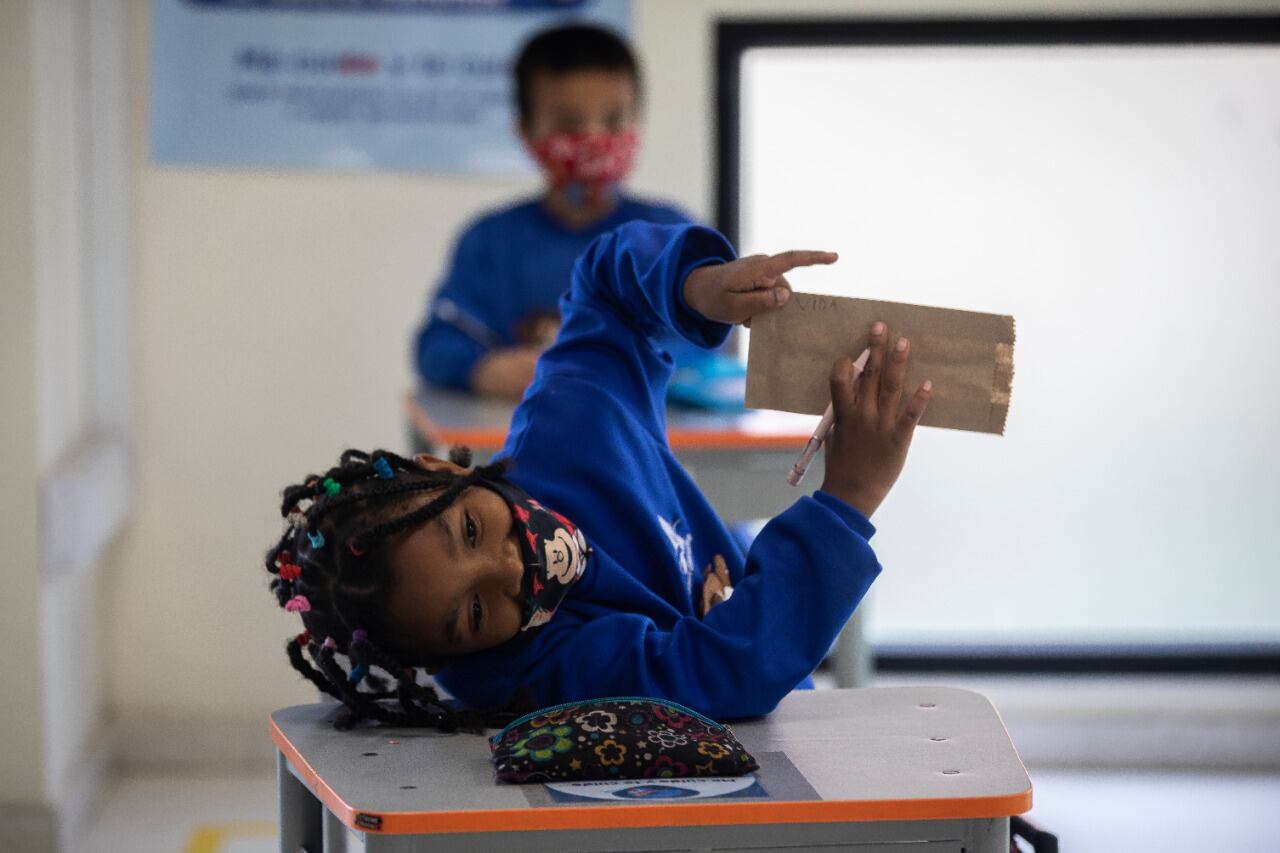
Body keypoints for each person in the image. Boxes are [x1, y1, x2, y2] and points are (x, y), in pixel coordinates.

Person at [269, 222, 932, 731]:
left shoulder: (569, 421)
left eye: (469, 529)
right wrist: (847, 501)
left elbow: (603, 288)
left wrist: (697, 287)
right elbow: (717, 674)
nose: (506, 567)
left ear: (441, 469)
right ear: (442, 661)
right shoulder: (528, 672)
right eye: (472, 612)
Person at [413, 24, 694, 400]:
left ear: (636, 123)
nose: (594, 139)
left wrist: (632, 368)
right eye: (569, 124)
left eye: (613, 120)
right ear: (527, 132)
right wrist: (482, 370)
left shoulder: (674, 238)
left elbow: (709, 341)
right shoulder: (489, 241)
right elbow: (438, 341)